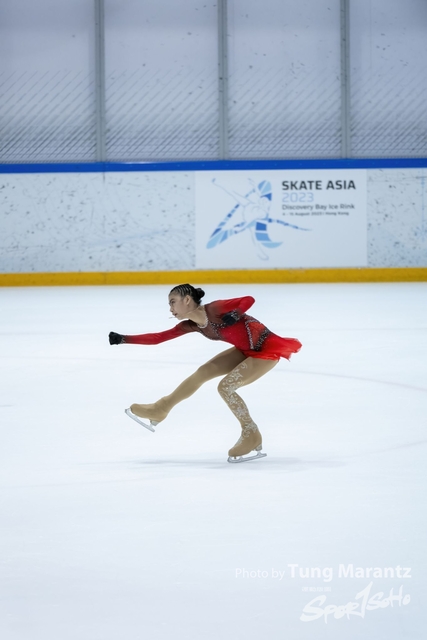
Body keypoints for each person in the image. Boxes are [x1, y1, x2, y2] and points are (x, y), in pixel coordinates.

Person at [109, 284, 302, 463]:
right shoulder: (190, 325)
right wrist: (124, 339)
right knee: (203, 372)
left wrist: (236, 313)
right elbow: (158, 338)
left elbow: (248, 299)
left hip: (267, 350)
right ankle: (161, 409)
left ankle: (251, 433)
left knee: (225, 387)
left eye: (172, 302)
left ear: (187, 300)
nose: (170, 309)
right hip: (245, 350)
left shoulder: (215, 309)